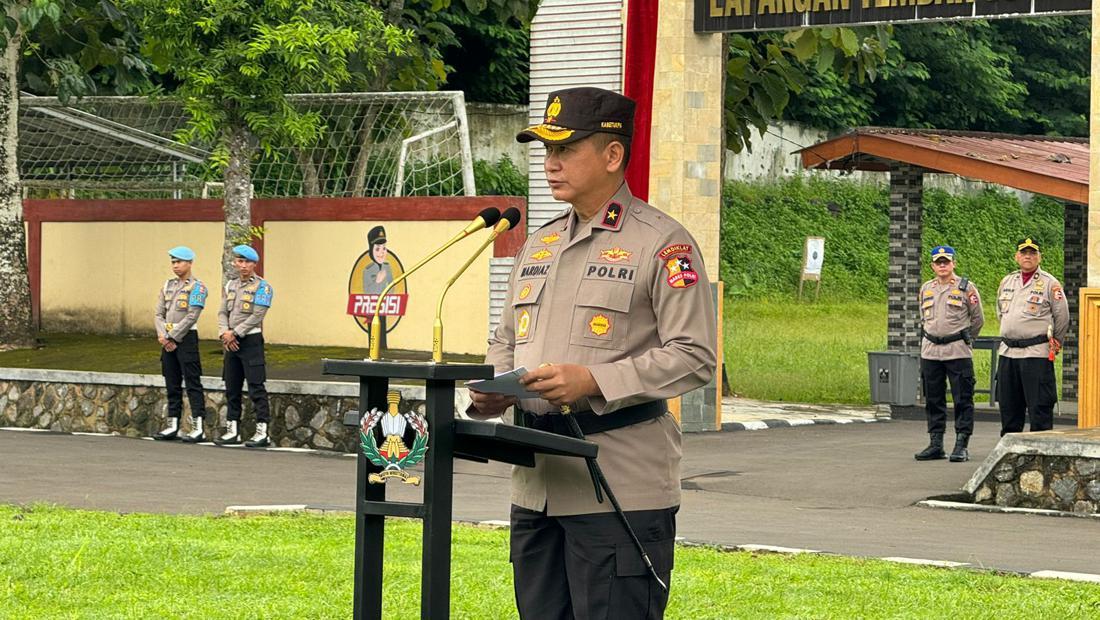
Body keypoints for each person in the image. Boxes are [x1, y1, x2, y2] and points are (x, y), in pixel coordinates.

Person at [468, 87, 717, 620]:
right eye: (546, 152)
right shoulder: (539, 244)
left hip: (618, 485)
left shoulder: (663, 243)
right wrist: (490, 391)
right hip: (537, 484)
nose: (551, 165)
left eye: (565, 150)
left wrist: (594, 380)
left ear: (611, 155)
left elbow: (695, 355)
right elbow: (506, 338)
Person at [914, 246, 984, 462]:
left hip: (957, 350)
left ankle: (961, 444)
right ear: (933, 265)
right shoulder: (926, 288)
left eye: (946, 261)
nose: (942, 265)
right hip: (931, 351)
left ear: (953, 263)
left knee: (963, 398)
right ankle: (936, 444)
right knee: (934, 398)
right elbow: (924, 318)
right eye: (938, 262)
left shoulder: (966, 288)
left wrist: (965, 339)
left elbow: (977, 319)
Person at [995, 238, 1069, 436]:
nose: (1028, 256)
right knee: (1009, 407)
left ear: (1039, 257)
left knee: (1040, 408)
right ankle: (1010, 455)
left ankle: (1041, 456)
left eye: (1032, 253)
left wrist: (1056, 341)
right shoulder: (1007, 281)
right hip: (1008, 353)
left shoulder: (1049, 283)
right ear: (1017, 256)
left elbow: (1062, 316)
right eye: (1024, 252)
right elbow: (1001, 313)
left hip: (1036, 354)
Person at [216, 245, 275, 447]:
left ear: (254, 264)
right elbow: (222, 312)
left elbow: (258, 315)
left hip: (250, 341)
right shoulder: (230, 286)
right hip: (230, 342)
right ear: (235, 263)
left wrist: (235, 333)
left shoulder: (263, 287)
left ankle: (262, 431)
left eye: (247, 262)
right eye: (240, 261)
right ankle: (232, 430)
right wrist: (224, 332)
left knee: (256, 386)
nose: (243, 266)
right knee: (232, 387)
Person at [153, 246, 209, 442]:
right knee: (172, 382)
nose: (175, 266)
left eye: (179, 262)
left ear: (190, 263)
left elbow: (192, 315)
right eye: (173, 262)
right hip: (167, 338)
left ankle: (198, 425)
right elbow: (158, 313)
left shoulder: (197, 287)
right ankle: (173, 423)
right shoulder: (168, 285)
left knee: (192, 382)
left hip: (185, 338)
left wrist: (173, 336)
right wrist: (163, 335)